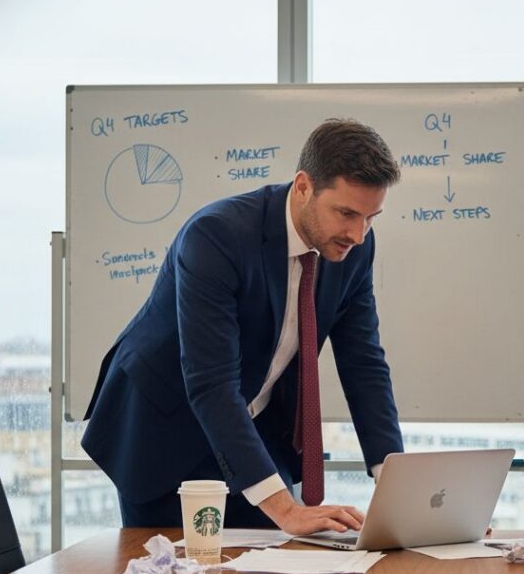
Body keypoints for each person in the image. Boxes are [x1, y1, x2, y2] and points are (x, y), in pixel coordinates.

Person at [82, 119, 405, 533]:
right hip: (165, 433)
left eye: (371, 217)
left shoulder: (355, 248)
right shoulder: (217, 236)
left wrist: (399, 492)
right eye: (346, 213)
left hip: (253, 430)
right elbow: (211, 382)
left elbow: (364, 364)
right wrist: (285, 509)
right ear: (304, 186)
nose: (358, 234)